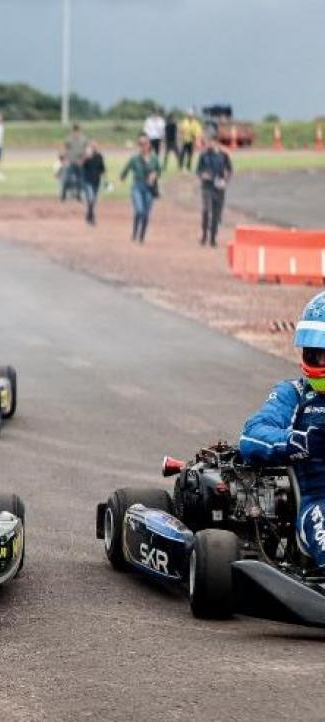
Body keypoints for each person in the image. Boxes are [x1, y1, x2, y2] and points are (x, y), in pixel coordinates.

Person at [240, 291, 325, 573]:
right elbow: (252, 436)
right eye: (320, 354)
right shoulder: (295, 394)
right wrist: (298, 442)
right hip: (317, 504)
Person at [119, 133, 161, 243]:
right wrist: (121, 180)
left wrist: (154, 175)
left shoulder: (154, 158)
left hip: (150, 188)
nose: (143, 146)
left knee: (146, 213)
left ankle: (142, 235)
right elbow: (124, 171)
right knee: (139, 210)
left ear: (149, 144)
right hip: (137, 186)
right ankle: (134, 232)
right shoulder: (134, 159)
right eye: (140, 144)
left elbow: (159, 171)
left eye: (145, 143)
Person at [196, 135, 233, 247]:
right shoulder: (204, 155)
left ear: (216, 142)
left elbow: (229, 170)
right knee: (207, 210)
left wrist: (225, 181)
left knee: (217, 212)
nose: (209, 144)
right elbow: (198, 170)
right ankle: (204, 235)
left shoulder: (223, 155)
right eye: (208, 142)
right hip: (207, 186)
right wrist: (203, 175)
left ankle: (213, 237)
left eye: (211, 142)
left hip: (219, 186)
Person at [81, 142, 106, 226]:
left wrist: (105, 179)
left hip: (96, 181)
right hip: (87, 181)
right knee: (91, 198)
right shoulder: (87, 157)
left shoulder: (99, 157)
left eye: (95, 147)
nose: (94, 148)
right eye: (92, 147)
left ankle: (88, 216)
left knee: (93, 200)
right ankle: (92, 218)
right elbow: (82, 165)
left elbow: (102, 168)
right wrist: (86, 157)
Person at [61, 124, 88, 201]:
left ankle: (78, 195)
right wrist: (65, 160)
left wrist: (83, 160)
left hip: (80, 162)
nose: (76, 133)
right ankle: (63, 194)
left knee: (81, 180)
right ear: (72, 131)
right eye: (74, 131)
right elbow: (65, 150)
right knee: (67, 179)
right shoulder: (68, 139)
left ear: (79, 131)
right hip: (71, 161)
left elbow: (85, 151)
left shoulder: (83, 139)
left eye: (77, 131)